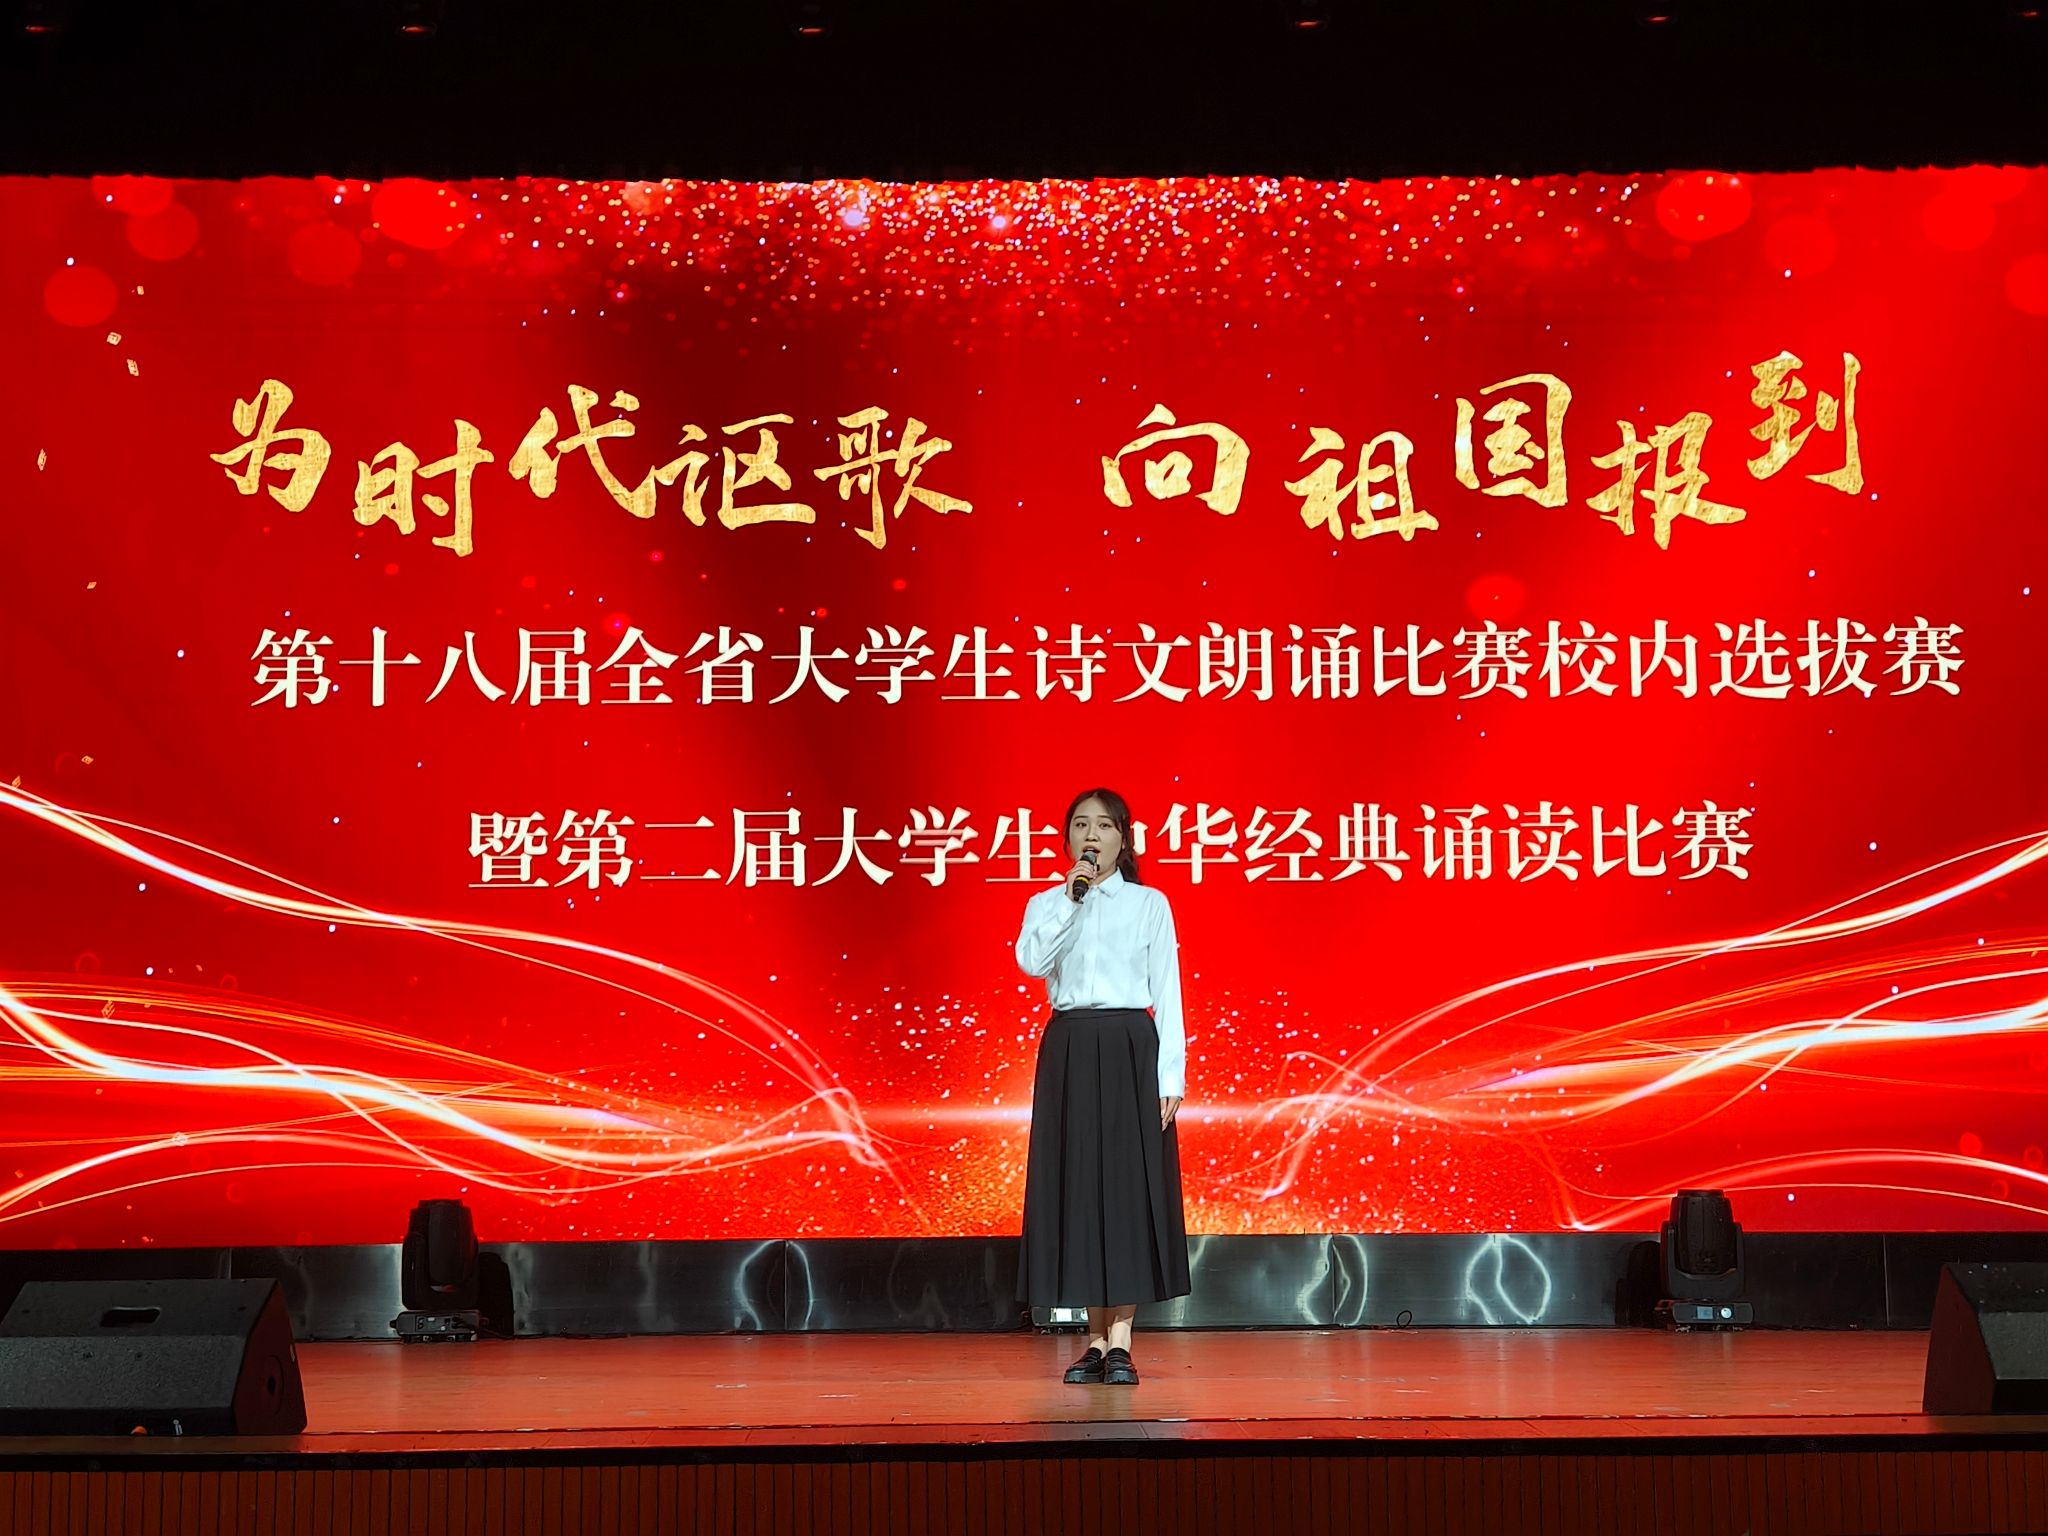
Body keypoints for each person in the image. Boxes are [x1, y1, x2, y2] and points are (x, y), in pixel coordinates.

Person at [1015, 787, 1190, 1387]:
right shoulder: (1047, 902)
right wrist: (1071, 900)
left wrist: (1171, 1075)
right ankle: (1092, 1341)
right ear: (1067, 839)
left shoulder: (1148, 904)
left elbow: (1167, 989)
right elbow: (1032, 963)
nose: (1092, 835)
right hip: (1069, 1045)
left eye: (1105, 826)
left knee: (1126, 1189)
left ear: (1123, 839)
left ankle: (1121, 1342)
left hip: (1129, 1047)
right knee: (1079, 1189)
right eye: (1081, 825)